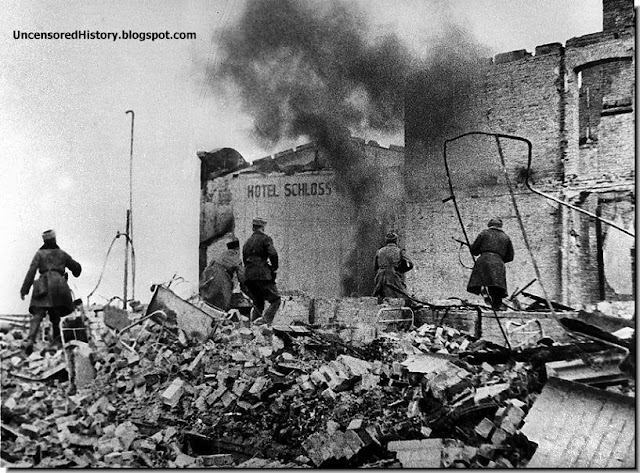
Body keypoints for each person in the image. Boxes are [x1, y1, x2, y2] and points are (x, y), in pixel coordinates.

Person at [20, 229, 82, 355]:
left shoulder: (39, 254)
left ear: (44, 241)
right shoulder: (62, 254)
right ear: (54, 240)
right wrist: (75, 270)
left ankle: (30, 340)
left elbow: (31, 271)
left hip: (43, 285)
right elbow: (76, 268)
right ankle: (56, 342)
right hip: (59, 286)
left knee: (38, 314)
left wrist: (24, 290)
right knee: (56, 316)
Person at [467, 217, 514, 310]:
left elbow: (474, 251)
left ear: (489, 225)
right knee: (496, 288)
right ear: (500, 226)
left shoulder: (483, 234)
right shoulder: (506, 237)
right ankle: (496, 306)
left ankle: (486, 299)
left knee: (483, 283)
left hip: (484, 261)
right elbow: (510, 257)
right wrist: (498, 259)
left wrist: (471, 247)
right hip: (498, 264)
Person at [242, 218, 281, 325]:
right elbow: (273, 254)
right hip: (262, 275)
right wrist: (274, 267)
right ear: (263, 227)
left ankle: (253, 327)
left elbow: (245, 260)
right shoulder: (265, 239)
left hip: (249, 277)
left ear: (253, 227)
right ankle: (265, 321)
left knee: (258, 303)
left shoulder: (247, 242)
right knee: (276, 300)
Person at [199, 237, 245, 311]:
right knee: (222, 304)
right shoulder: (236, 258)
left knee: (208, 302)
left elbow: (209, 266)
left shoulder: (219, 255)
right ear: (237, 249)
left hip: (208, 275)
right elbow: (242, 277)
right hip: (221, 277)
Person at [373, 231, 414, 304]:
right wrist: (401, 270)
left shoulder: (379, 251)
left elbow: (375, 267)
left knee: (378, 298)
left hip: (380, 278)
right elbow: (410, 264)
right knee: (403, 297)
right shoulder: (399, 251)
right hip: (393, 277)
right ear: (396, 241)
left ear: (386, 241)